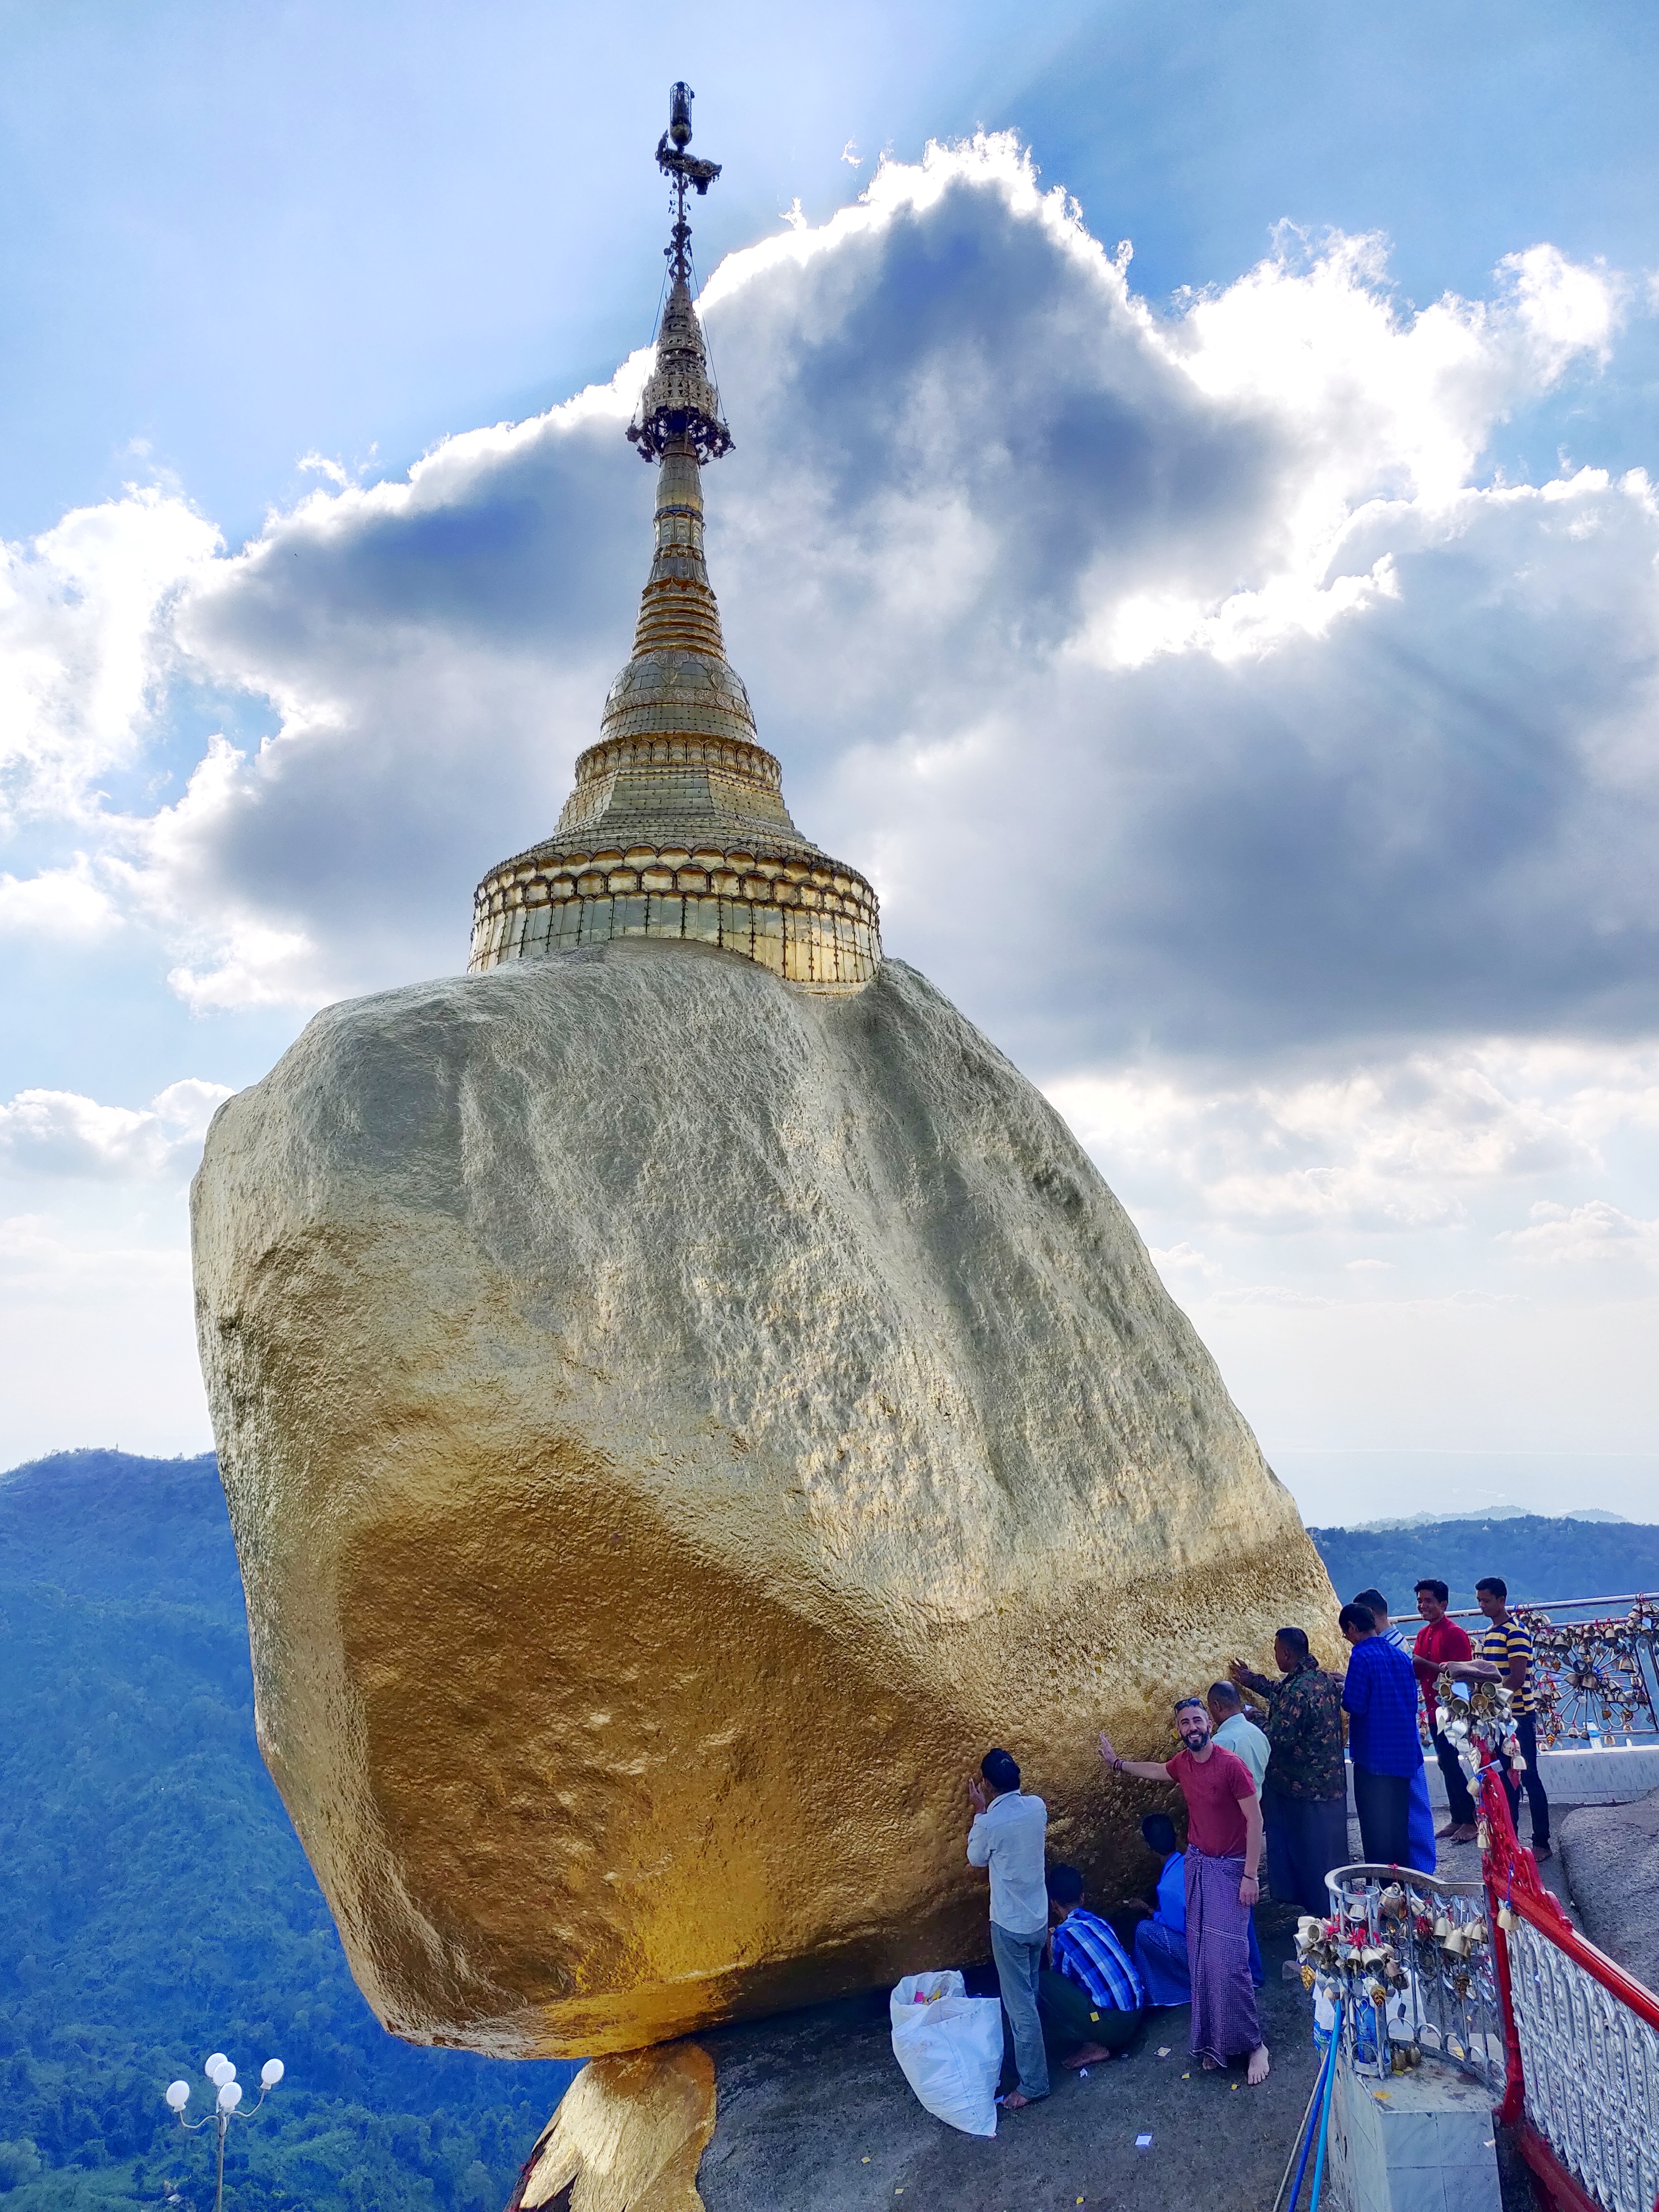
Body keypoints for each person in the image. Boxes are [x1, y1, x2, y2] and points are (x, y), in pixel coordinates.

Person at [1098, 1698, 1270, 2085]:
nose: (1192, 1727)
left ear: (1209, 1723)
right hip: (1198, 1866)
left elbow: (1255, 1819)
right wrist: (1117, 1764)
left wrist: (1250, 1875)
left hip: (1230, 1870)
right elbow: (1159, 1771)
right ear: (1179, 1730)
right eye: (1184, 1723)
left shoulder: (1230, 1766)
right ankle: (1215, 2042)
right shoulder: (1184, 1764)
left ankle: (1254, 2044)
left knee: (1230, 1961)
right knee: (1203, 1959)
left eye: (1197, 1720)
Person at [1229, 1628, 1348, 1916]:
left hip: (1304, 1789)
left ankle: (1321, 1921)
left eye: (1276, 1651)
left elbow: (1279, 1738)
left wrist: (1252, 1716)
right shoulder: (1321, 1680)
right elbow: (1283, 1694)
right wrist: (1253, 1681)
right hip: (1331, 1786)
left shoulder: (1297, 1692)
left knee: (1311, 1860)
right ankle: (1334, 1908)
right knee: (1331, 1857)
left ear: (1286, 1654)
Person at [966, 1748, 1050, 2110]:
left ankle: (1034, 2084)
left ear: (986, 1784)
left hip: (1010, 1927)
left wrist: (980, 1812)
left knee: (1021, 2010)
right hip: (1038, 1919)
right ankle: (1038, 2063)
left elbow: (975, 1859)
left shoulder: (989, 1824)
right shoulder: (1037, 1807)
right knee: (1030, 1995)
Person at [1352, 1588, 1436, 1874]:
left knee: (1410, 1810)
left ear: (1372, 1617)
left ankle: (1422, 1870)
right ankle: (1417, 1872)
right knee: (1407, 1810)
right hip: (1404, 1736)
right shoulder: (1397, 1645)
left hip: (1390, 1741)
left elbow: (1362, 1701)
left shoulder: (1374, 1651)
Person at [1339, 1602, 1423, 1867]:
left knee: (1375, 1833)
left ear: (1353, 1628)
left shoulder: (1360, 1656)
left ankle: (1381, 1894)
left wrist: (1341, 1690)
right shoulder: (1400, 1655)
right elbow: (1411, 1700)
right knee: (1398, 1828)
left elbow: (1355, 1704)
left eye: (1346, 1633)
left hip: (1373, 1759)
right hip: (1403, 1756)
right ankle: (1403, 1893)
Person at [1477, 1576, 1552, 1862]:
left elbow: (1517, 1679)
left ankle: (1542, 1841)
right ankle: (1511, 1841)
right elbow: (1491, 1674)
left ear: (1501, 1600)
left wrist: (1487, 1700)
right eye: (1480, 1601)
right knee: (1507, 1780)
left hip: (1518, 1716)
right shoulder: (1490, 1633)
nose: (1482, 1606)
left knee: (1528, 1776)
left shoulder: (1516, 1632)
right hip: (1498, 1716)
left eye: (1487, 1600)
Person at [1039, 1864, 1145, 2068]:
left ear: (1053, 1905)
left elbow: (1061, 1985)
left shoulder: (1061, 1936)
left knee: (1042, 1983)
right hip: (1138, 2010)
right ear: (1083, 1897)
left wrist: (1049, 1946)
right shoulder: (1098, 1921)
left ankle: (1091, 2044)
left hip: (1115, 2028)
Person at [1413, 1578, 1479, 1843]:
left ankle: (1471, 1820)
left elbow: (1462, 1673)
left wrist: (1423, 1663)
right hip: (1433, 1709)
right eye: (1420, 1601)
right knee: (1445, 1762)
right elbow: (1419, 1670)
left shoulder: (1454, 1633)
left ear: (1444, 1604)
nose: (1422, 1606)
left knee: (1454, 1761)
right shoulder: (1424, 1633)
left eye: (1428, 1601)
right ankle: (1459, 1817)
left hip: (1453, 1709)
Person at [1121, 1813, 1193, 2007]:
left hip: (1200, 1953)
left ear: (1150, 1848)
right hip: (1218, 1943)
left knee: (1144, 1930)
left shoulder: (1167, 1888)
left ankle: (1159, 1994)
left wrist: (1150, 1912)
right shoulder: (1193, 1863)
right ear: (1177, 1834)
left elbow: (1177, 1929)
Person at [1206, 1681, 1270, 1794]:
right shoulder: (1258, 1733)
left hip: (1233, 1809)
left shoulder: (1220, 1742)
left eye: (1210, 1708)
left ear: (1217, 1706)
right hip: (1258, 1805)